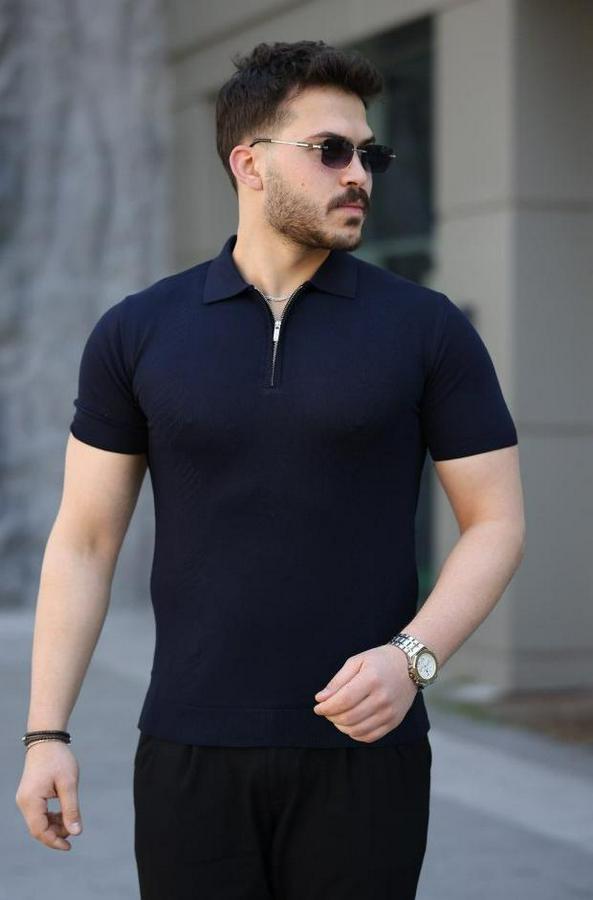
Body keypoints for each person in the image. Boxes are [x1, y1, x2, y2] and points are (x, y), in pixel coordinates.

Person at [16, 39, 526, 900]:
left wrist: (413, 659)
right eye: (330, 150)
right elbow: (86, 541)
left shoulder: (425, 328)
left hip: (367, 751)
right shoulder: (138, 331)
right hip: (188, 749)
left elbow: (496, 521)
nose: (358, 174)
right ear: (248, 163)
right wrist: (45, 735)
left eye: (368, 153)